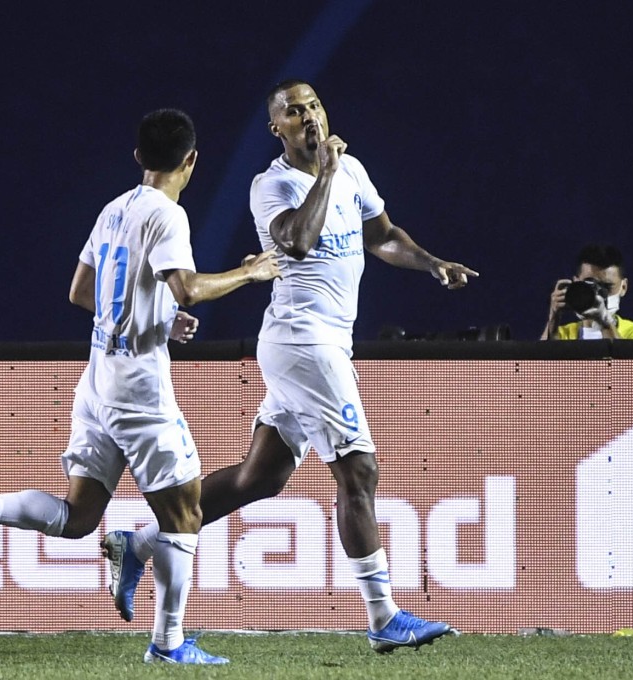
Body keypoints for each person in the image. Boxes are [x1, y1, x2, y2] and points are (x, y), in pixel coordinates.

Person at [104, 80, 477, 654]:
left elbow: (382, 236)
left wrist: (431, 263)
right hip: (304, 344)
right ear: (276, 128)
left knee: (262, 477)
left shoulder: (353, 173)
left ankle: (144, 543)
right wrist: (326, 172)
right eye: (294, 112)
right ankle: (383, 616)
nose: (308, 116)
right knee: (360, 471)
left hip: (325, 343)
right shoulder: (271, 185)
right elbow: (296, 244)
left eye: (315, 106)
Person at [0, 108, 281, 665]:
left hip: (97, 380)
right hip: (138, 388)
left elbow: (82, 290)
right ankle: (168, 643)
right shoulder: (167, 216)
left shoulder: (113, 209)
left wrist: (155, 315)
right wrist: (252, 272)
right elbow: (190, 288)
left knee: (79, 519)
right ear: (192, 161)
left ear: (138, 158)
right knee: (186, 515)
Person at [540, 244, 633, 340]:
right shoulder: (562, 335)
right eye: (589, 284)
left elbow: (627, 368)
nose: (598, 295)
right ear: (576, 283)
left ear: (623, 287)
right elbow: (539, 367)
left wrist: (605, 323)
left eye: (607, 287)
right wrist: (553, 319)